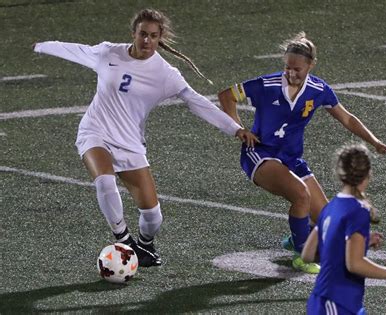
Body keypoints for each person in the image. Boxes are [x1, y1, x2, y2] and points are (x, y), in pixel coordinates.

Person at [33, 8, 257, 267]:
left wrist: (234, 128)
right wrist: (41, 45)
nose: (147, 41)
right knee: (105, 182)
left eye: (153, 35)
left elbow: (197, 102)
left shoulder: (166, 74)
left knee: (152, 216)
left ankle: (145, 245)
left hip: (129, 142)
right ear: (133, 34)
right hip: (95, 131)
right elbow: (75, 50)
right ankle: (124, 241)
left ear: (160, 37)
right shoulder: (109, 53)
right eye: (142, 34)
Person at [218, 32, 386, 274]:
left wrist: (375, 142)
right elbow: (226, 95)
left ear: (311, 65)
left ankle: (297, 239)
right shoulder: (267, 85)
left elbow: (346, 118)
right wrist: (239, 129)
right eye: (287, 67)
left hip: (292, 160)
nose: (291, 73)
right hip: (260, 155)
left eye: (297, 69)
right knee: (301, 195)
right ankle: (302, 255)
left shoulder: (318, 89)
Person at [302, 143, 386, 314]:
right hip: (336, 304)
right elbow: (354, 264)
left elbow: (307, 254)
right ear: (368, 174)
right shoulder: (358, 210)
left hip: (331, 301)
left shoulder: (330, 206)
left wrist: (361, 243)